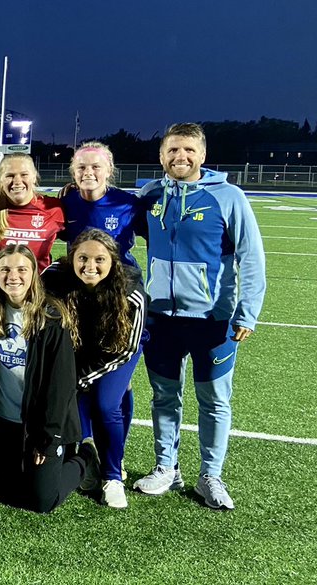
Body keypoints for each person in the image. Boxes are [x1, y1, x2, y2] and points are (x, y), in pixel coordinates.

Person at [132, 123, 266, 510]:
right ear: (162, 155)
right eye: (173, 150)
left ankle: (211, 475)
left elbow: (251, 258)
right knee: (164, 396)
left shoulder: (229, 197)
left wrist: (247, 312)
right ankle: (166, 468)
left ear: (202, 155)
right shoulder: (150, 194)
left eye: (188, 150)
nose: (180, 157)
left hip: (213, 320)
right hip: (160, 317)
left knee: (214, 400)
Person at [0, 244, 92, 513]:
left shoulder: (51, 317)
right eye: (5, 269)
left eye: (21, 269)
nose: (12, 276)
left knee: (41, 501)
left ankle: (84, 457)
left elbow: (60, 387)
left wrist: (48, 438)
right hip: (4, 422)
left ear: (34, 274)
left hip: (40, 426)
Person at [44, 229, 146, 508]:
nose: (90, 266)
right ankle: (86, 458)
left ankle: (113, 476)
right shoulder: (54, 278)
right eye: (83, 258)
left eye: (99, 259)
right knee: (73, 397)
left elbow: (127, 348)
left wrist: (85, 377)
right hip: (78, 349)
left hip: (117, 350)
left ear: (112, 261)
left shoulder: (130, 291)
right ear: (72, 258)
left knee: (106, 403)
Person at [59, 142, 144, 275]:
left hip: (122, 279)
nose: (88, 172)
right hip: (83, 279)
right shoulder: (64, 204)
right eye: (81, 167)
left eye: (96, 167)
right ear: (73, 172)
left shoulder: (128, 203)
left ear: (109, 170)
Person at [0, 153, 64, 275]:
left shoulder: (53, 208)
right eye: (10, 175)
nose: (17, 181)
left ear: (34, 177)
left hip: (38, 291)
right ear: (1, 179)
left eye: (24, 174)